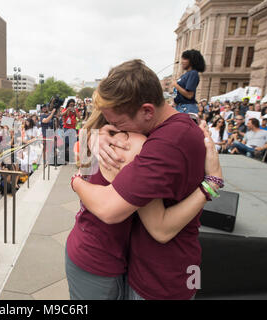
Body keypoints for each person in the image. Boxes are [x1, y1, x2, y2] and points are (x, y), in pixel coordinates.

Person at [73, 59, 220, 300]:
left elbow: (154, 227)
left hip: (162, 279)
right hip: (163, 270)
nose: (115, 130)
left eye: (118, 123)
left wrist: (210, 187)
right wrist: (94, 134)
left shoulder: (164, 144)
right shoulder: (167, 129)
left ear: (147, 111)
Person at [173, 49, 206, 114]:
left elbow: (189, 95)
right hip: (180, 107)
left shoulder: (193, 73)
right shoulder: (185, 75)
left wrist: (176, 85)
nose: (182, 61)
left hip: (187, 108)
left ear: (192, 61)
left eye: (184, 59)